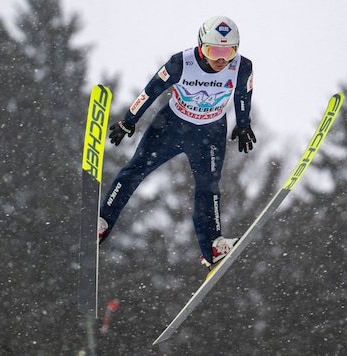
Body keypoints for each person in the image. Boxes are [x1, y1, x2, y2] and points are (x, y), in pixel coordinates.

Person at [98, 15, 256, 270]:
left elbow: (243, 95)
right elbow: (150, 91)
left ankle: (213, 246)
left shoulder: (242, 67)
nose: (220, 59)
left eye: (228, 52)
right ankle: (102, 223)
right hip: (172, 126)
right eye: (213, 50)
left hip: (210, 133)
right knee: (135, 169)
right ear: (200, 46)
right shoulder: (181, 62)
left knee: (209, 187)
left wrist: (244, 123)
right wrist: (129, 120)